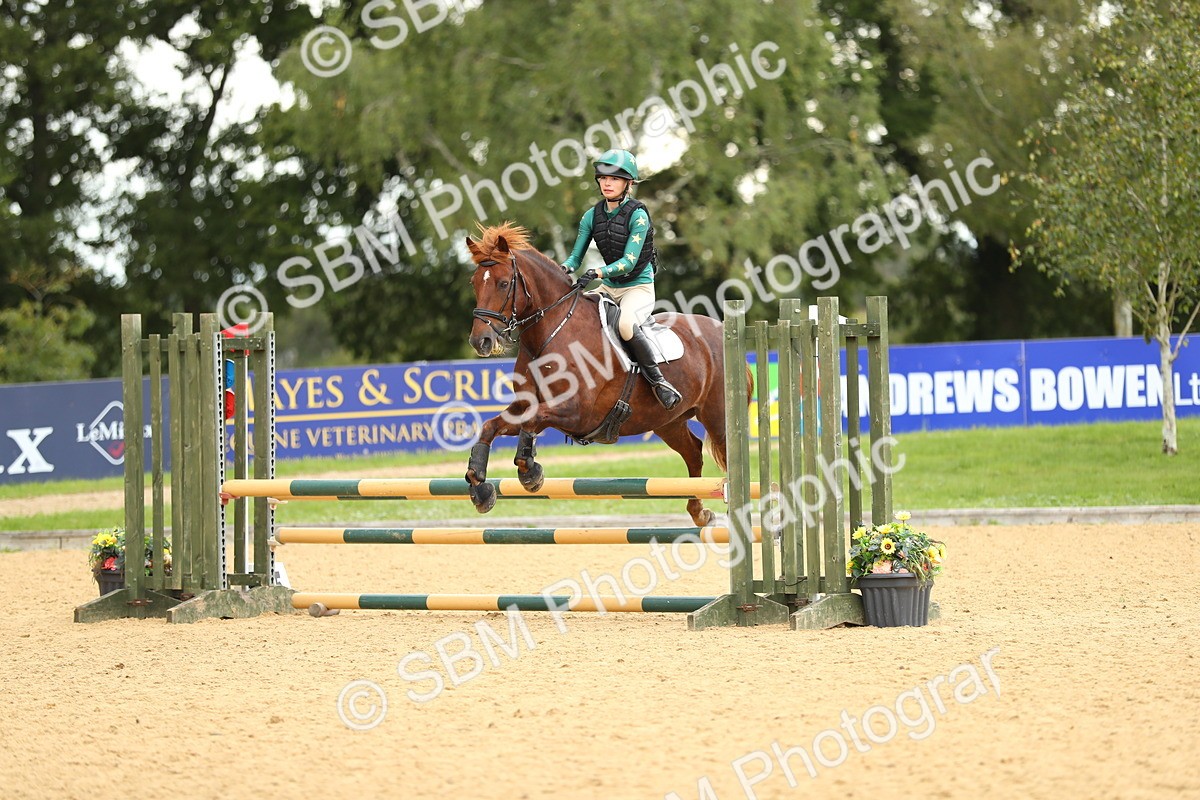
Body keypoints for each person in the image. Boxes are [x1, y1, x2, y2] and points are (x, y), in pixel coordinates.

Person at [560, 149, 682, 409]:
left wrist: (597, 273)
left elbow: (628, 262)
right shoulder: (591, 216)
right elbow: (575, 258)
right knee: (574, 316)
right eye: (603, 178)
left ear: (628, 183)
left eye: (614, 179)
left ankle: (659, 382)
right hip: (608, 288)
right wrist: (562, 269)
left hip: (637, 288)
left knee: (626, 325)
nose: (607, 183)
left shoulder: (638, 215)